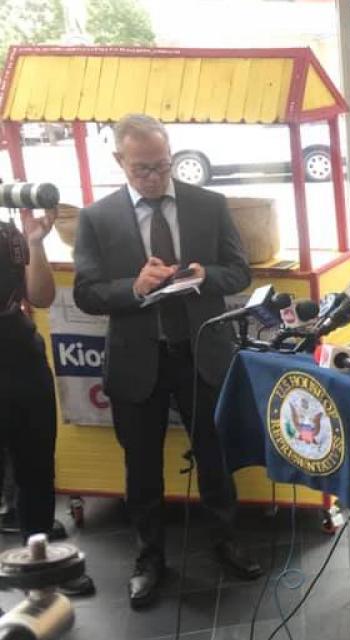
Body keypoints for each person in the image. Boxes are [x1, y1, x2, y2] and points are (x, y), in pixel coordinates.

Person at [72, 113, 261, 610]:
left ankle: (224, 540)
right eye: (142, 169)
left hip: (201, 352)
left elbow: (239, 270)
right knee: (142, 466)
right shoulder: (97, 218)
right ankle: (150, 555)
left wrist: (206, 275)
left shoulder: (209, 204)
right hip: (139, 359)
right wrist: (134, 287)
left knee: (215, 455)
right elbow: (87, 293)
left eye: (162, 165)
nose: (155, 177)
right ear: (120, 161)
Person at [0, 205, 94, 596]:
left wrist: (36, 243)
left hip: (20, 354)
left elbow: (39, 295)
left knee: (37, 467)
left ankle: (41, 566)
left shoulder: (7, 235)